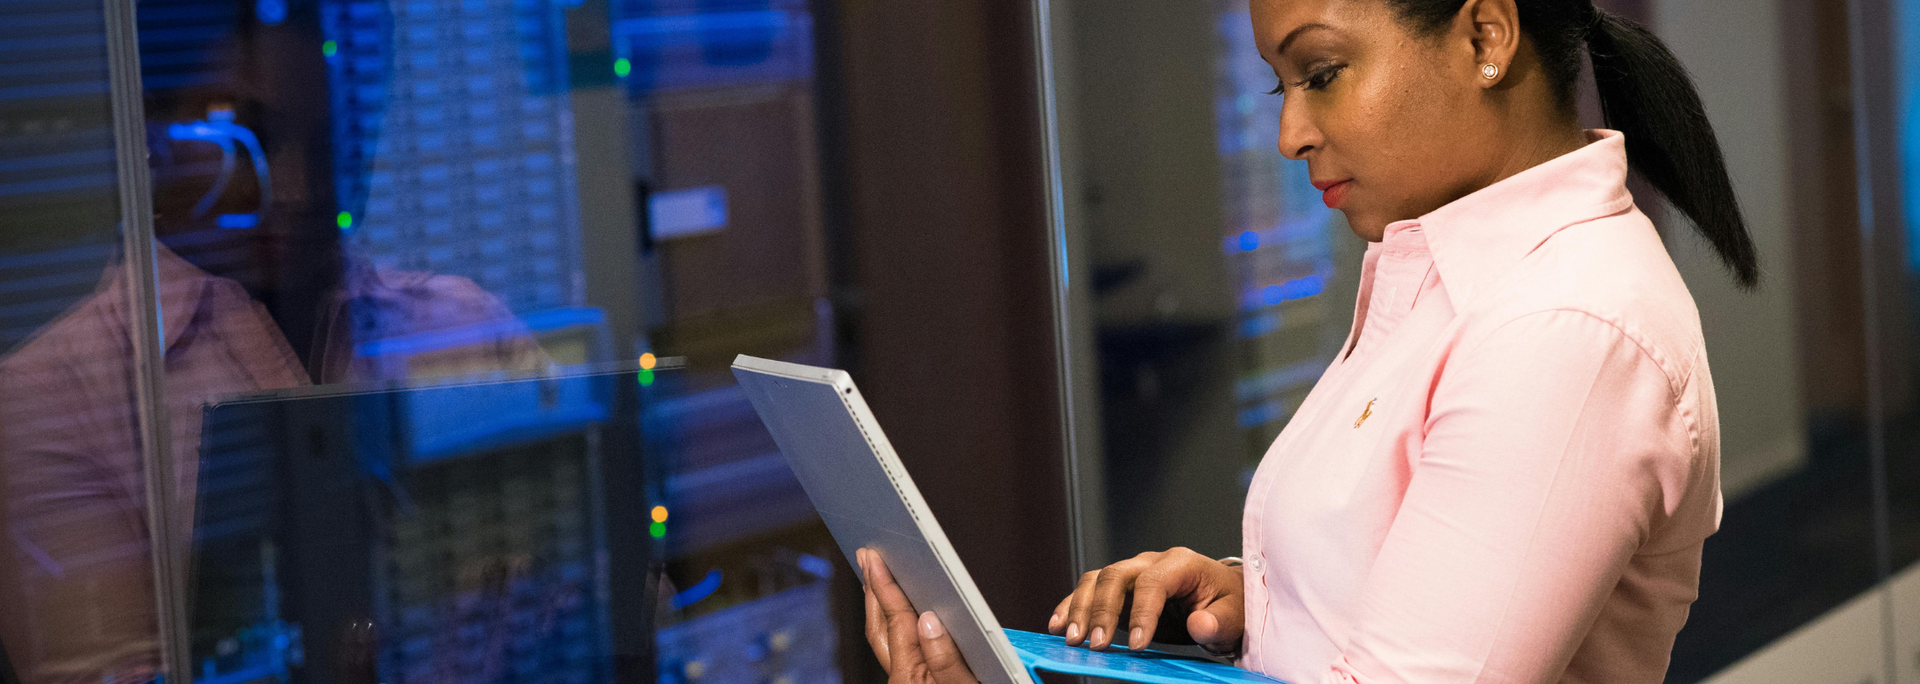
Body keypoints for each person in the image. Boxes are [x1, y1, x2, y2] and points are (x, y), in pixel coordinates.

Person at [856, 0, 1752, 682]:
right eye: (1277, 86)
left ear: (1486, 35)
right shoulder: (1452, 274)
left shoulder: (1563, 328)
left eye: (1321, 73)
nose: (1290, 134)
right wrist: (1263, 597)